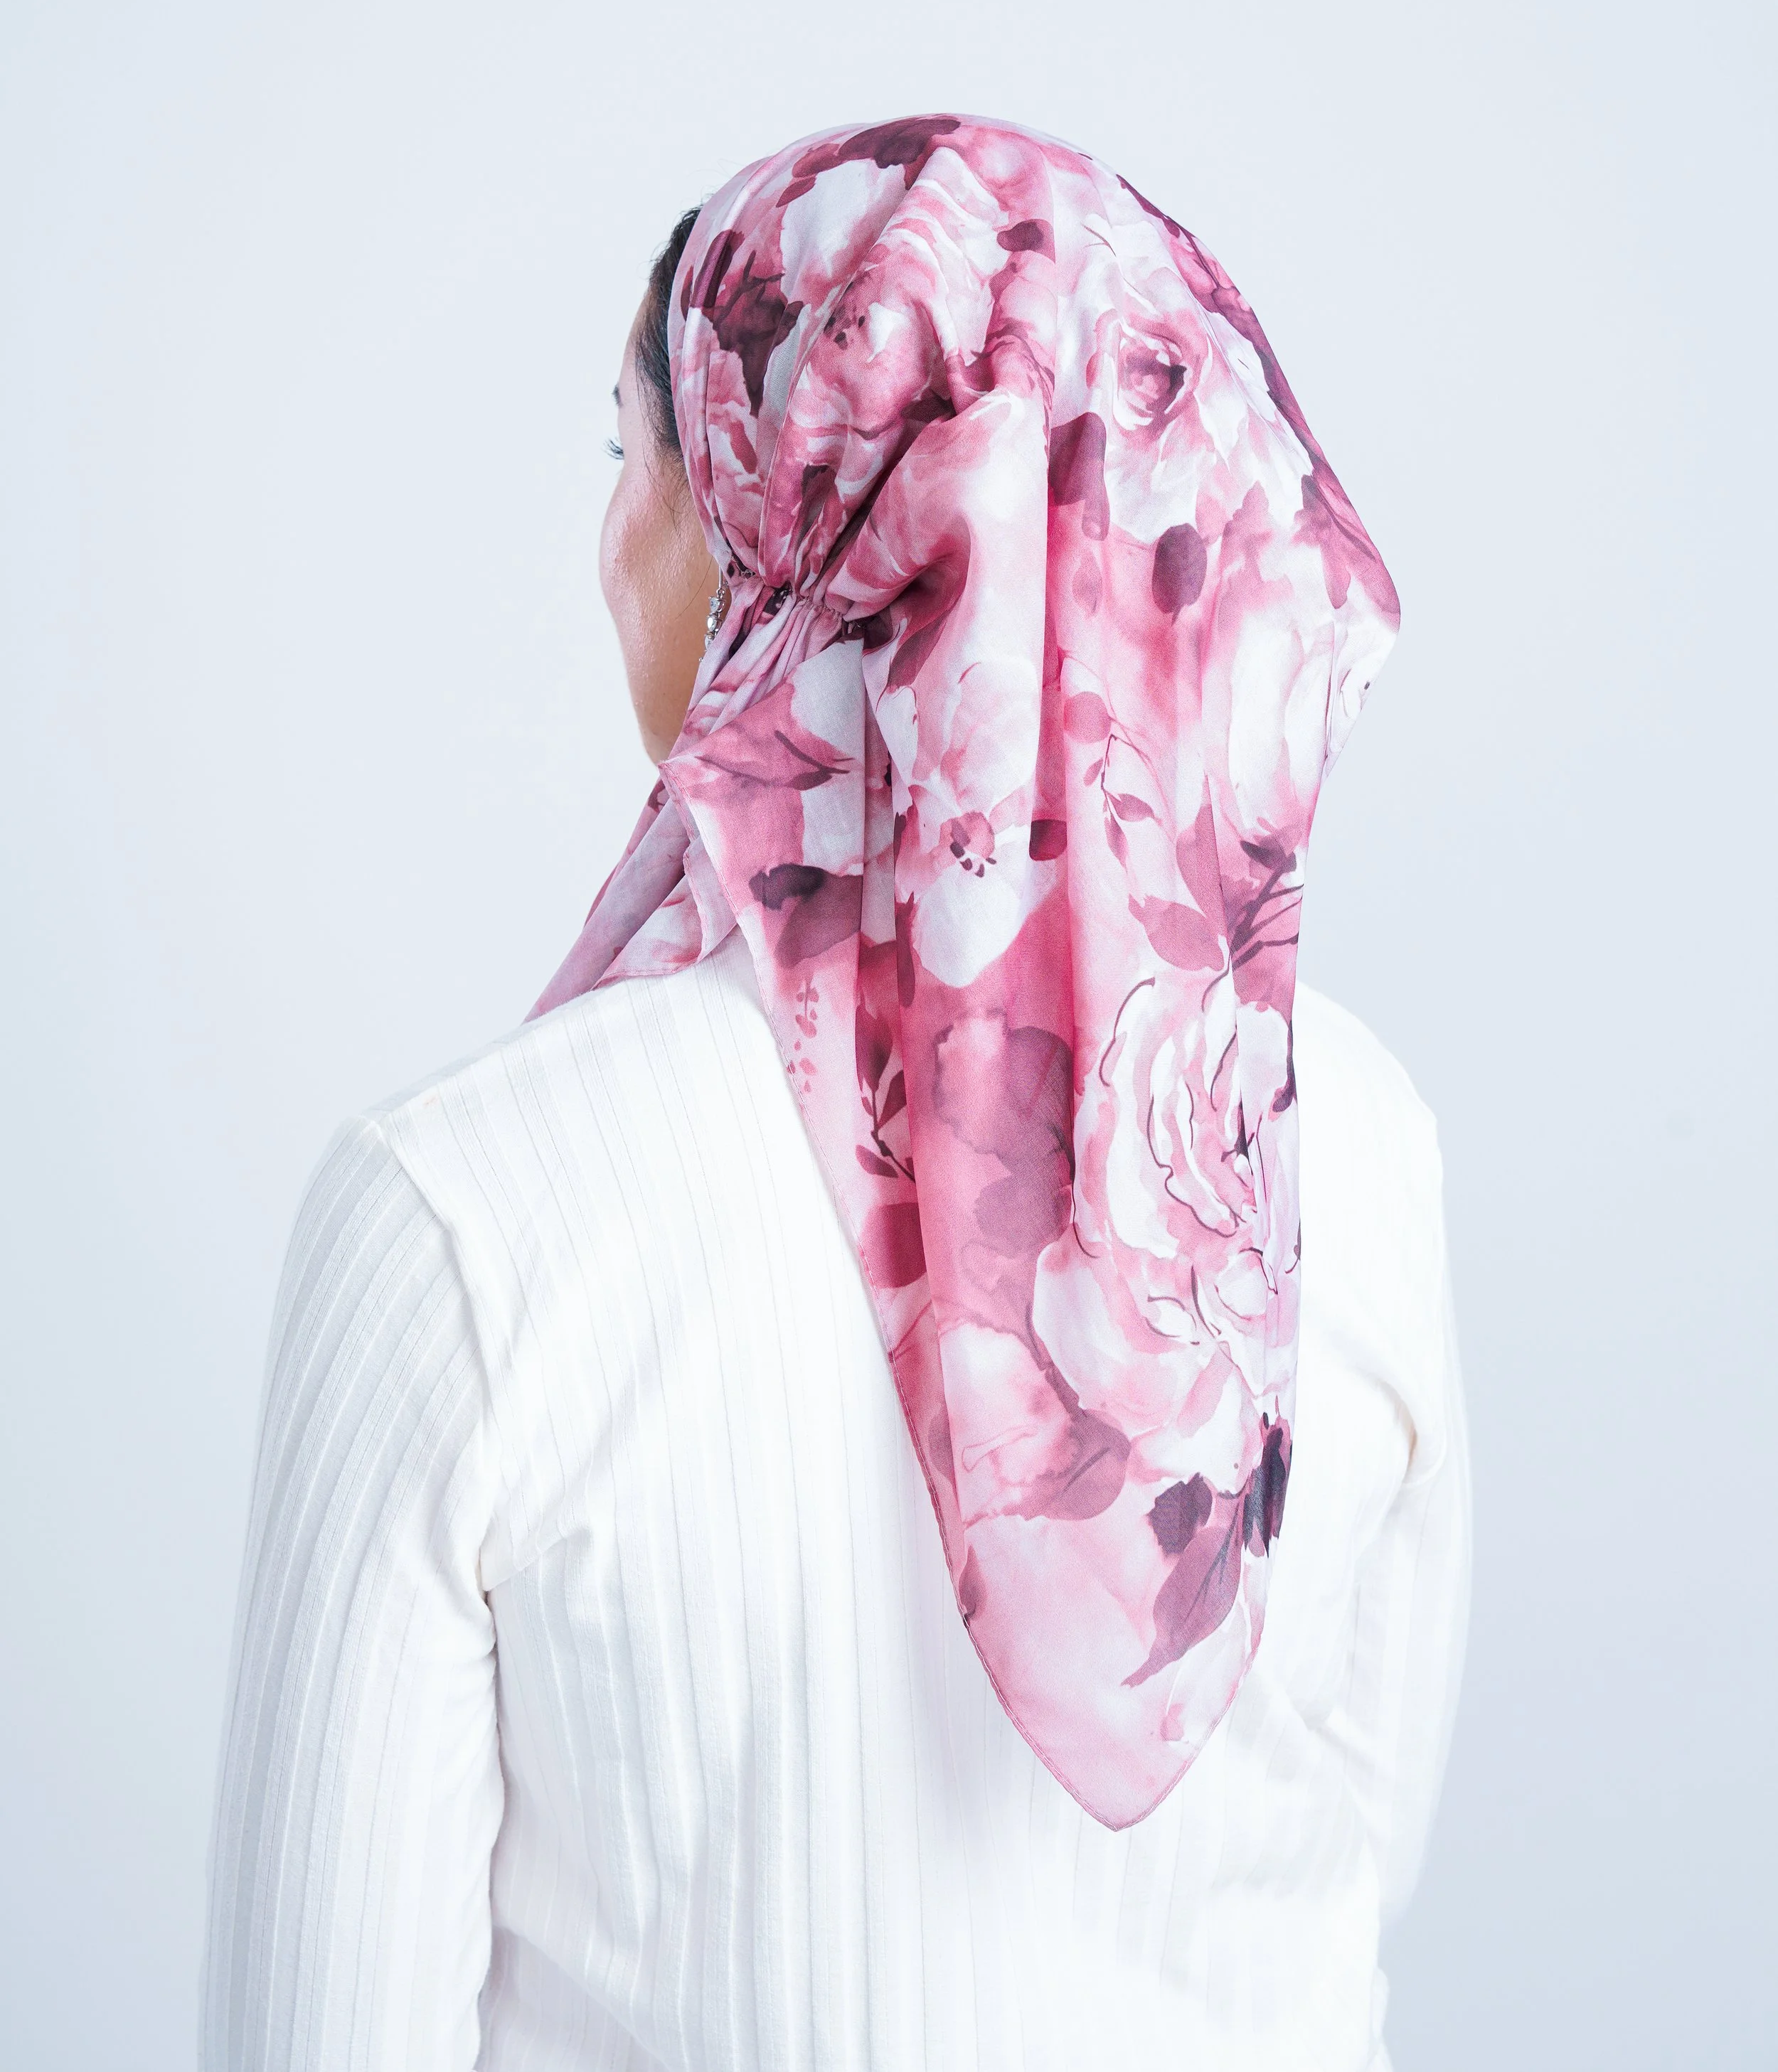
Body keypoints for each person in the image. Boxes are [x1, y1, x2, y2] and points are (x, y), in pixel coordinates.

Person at [203, 117, 1469, 2071]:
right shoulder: (1346, 1144)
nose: (606, 543)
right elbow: (1350, 1873)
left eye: (627, 457)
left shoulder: (459, 1218)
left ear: (775, 519)